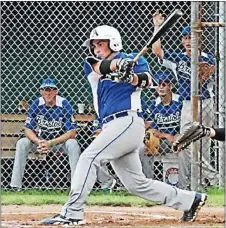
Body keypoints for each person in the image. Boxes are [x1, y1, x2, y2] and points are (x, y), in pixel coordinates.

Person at [41, 25, 207, 225]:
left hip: (127, 122)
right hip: (111, 126)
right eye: (94, 44)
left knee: (88, 158)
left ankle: (72, 213)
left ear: (113, 42)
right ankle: (190, 200)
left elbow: (147, 81)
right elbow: (99, 67)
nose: (96, 48)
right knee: (136, 184)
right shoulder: (93, 64)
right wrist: (118, 66)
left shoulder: (137, 60)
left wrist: (131, 77)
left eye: (100, 43)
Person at [152, 12, 216, 189]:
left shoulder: (207, 58)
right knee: (184, 142)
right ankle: (213, 178)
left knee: (204, 143)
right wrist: (157, 27)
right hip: (187, 104)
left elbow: (206, 74)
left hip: (206, 103)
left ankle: (202, 183)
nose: (188, 41)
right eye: (186, 38)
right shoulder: (178, 58)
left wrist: (197, 61)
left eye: (192, 38)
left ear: (199, 40)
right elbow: (157, 50)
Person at [10, 78, 81, 189]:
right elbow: (27, 129)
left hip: (59, 143)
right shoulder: (37, 103)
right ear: (41, 91)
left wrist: (51, 143)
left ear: (56, 91)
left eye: (51, 89)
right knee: (22, 143)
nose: (48, 93)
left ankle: (77, 187)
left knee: (73, 144)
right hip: (40, 142)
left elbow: (72, 132)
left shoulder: (63, 103)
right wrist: (39, 142)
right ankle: (15, 186)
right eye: (45, 89)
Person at [140, 72, 182, 180]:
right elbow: (151, 129)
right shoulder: (153, 104)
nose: (161, 87)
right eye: (158, 85)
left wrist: (178, 136)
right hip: (162, 140)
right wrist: (166, 135)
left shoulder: (180, 101)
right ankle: (148, 181)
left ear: (170, 86)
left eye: (164, 84)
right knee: (145, 147)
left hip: (180, 138)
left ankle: (187, 181)